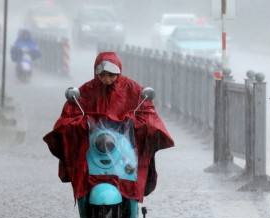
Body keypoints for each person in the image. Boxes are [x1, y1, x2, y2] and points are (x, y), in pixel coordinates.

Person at [43, 51, 174, 204]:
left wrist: (137, 122)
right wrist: (80, 124)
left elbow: (147, 111)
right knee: (82, 170)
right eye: (102, 75)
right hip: (94, 146)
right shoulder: (86, 91)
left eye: (111, 75)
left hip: (124, 147)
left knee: (132, 173)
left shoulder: (132, 88)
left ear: (119, 72)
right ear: (96, 73)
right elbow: (71, 114)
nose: (107, 79)